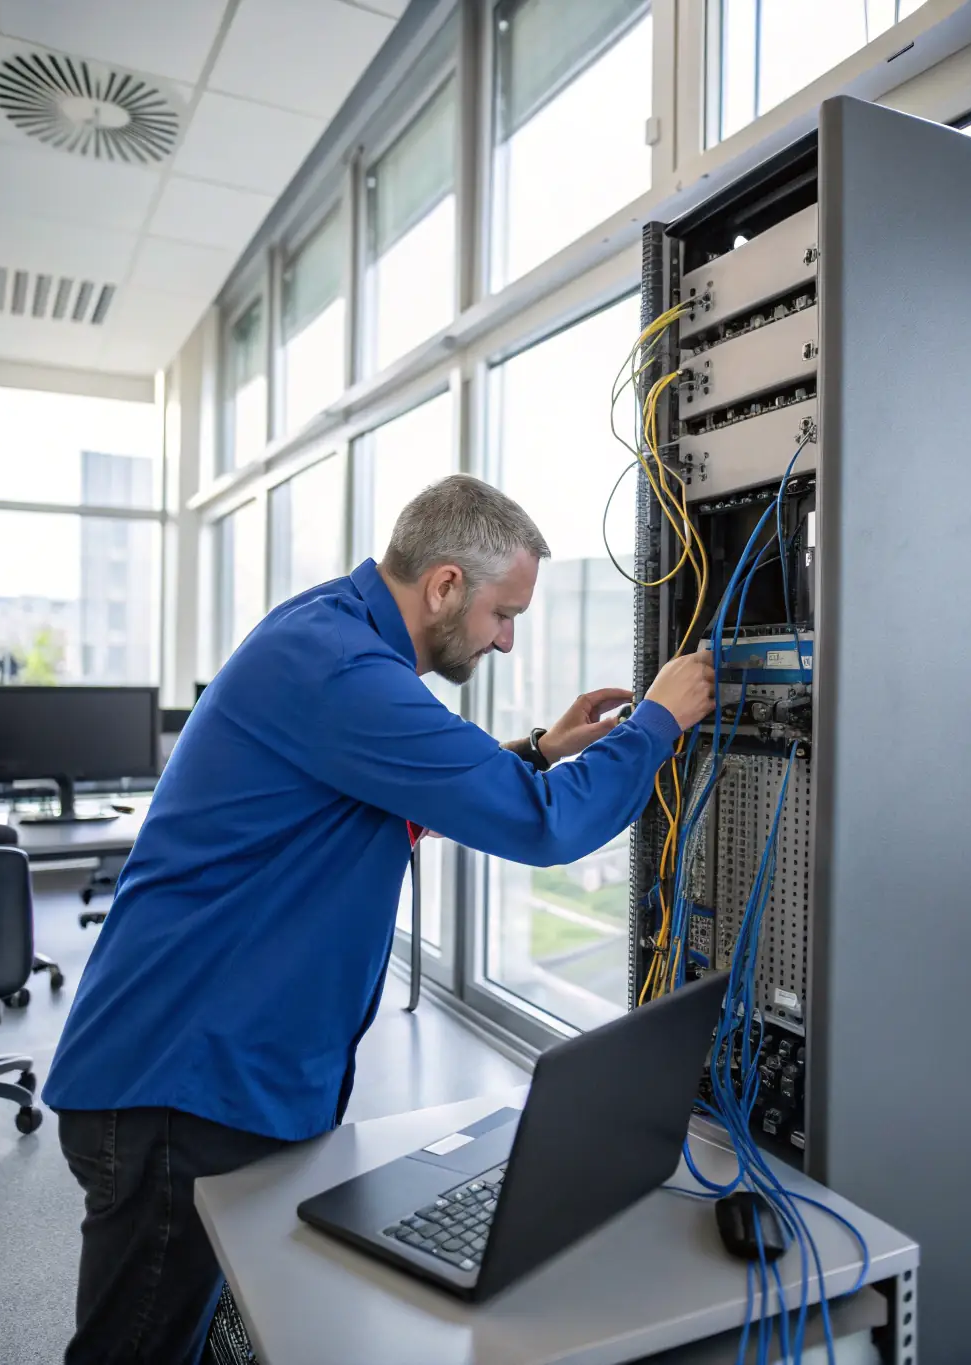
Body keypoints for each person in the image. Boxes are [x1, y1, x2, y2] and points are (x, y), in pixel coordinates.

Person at [43, 473, 714, 1364]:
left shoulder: (333, 638)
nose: (508, 641)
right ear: (444, 585)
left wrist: (540, 751)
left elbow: (380, 794)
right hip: (179, 1084)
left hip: (215, 1073)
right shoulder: (339, 669)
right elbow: (547, 825)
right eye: (502, 614)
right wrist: (659, 721)